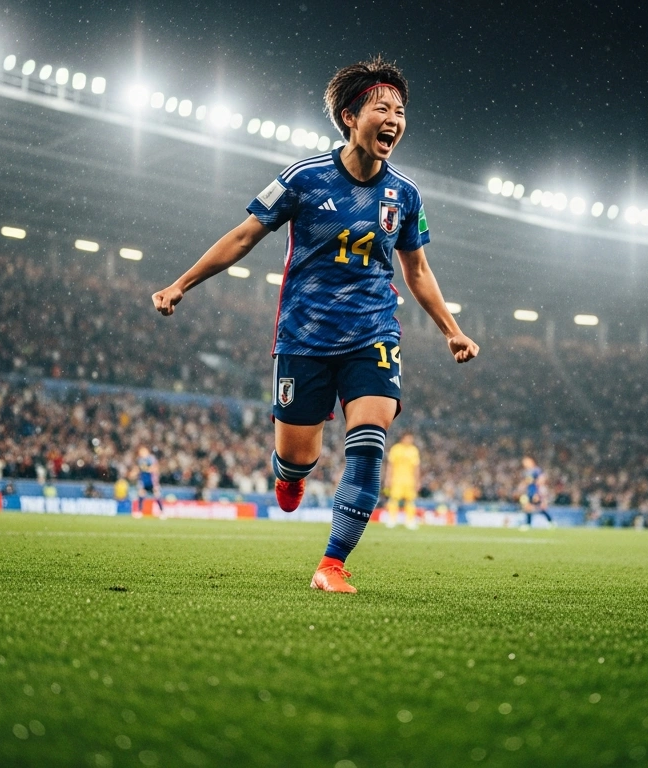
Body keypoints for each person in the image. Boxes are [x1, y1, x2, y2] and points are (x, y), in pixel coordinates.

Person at [152, 57, 478, 593]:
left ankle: (332, 564)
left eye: (401, 111)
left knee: (370, 443)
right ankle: (290, 474)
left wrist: (451, 329)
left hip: (373, 333)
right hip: (304, 338)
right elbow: (242, 237)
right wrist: (180, 284)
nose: (394, 118)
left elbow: (416, 270)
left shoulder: (406, 195)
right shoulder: (304, 179)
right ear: (351, 117)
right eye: (382, 107)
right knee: (298, 458)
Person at [385, 433, 421, 529]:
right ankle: (392, 520)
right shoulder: (396, 449)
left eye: (411, 438)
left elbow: (416, 467)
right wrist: (388, 478)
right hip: (397, 479)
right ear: (403, 438)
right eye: (408, 438)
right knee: (394, 499)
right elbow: (390, 465)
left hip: (409, 480)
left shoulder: (414, 450)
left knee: (410, 500)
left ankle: (409, 521)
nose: (409, 440)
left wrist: (417, 481)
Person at [519, 457, 553, 530]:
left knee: (540, 508)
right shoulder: (526, 472)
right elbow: (526, 482)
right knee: (528, 507)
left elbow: (541, 480)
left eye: (526, 462)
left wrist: (537, 493)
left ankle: (550, 521)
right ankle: (528, 524)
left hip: (536, 491)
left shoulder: (536, 470)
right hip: (530, 491)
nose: (525, 464)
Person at [135, 446, 164, 517]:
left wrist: (147, 469)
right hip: (143, 480)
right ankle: (139, 511)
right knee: (141, 494)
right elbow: (139, 470)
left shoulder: (151, 459)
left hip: (152, 480)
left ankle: (161, 511)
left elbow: (154, 468)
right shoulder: (139, 460)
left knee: (157, 495)